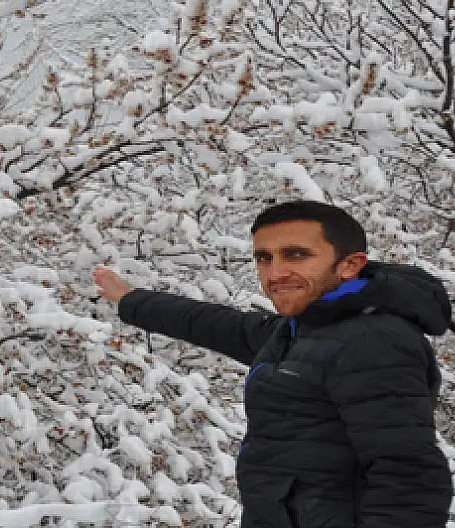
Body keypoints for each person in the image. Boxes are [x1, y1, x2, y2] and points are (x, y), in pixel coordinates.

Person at [92, 200, 454, 527]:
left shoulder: (372, 341)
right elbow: (217, 324)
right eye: (264, 258)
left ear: (350, 265)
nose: (275, 272)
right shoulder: (305, 329)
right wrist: (131, 299)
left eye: (296, 255)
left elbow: (409, 473)